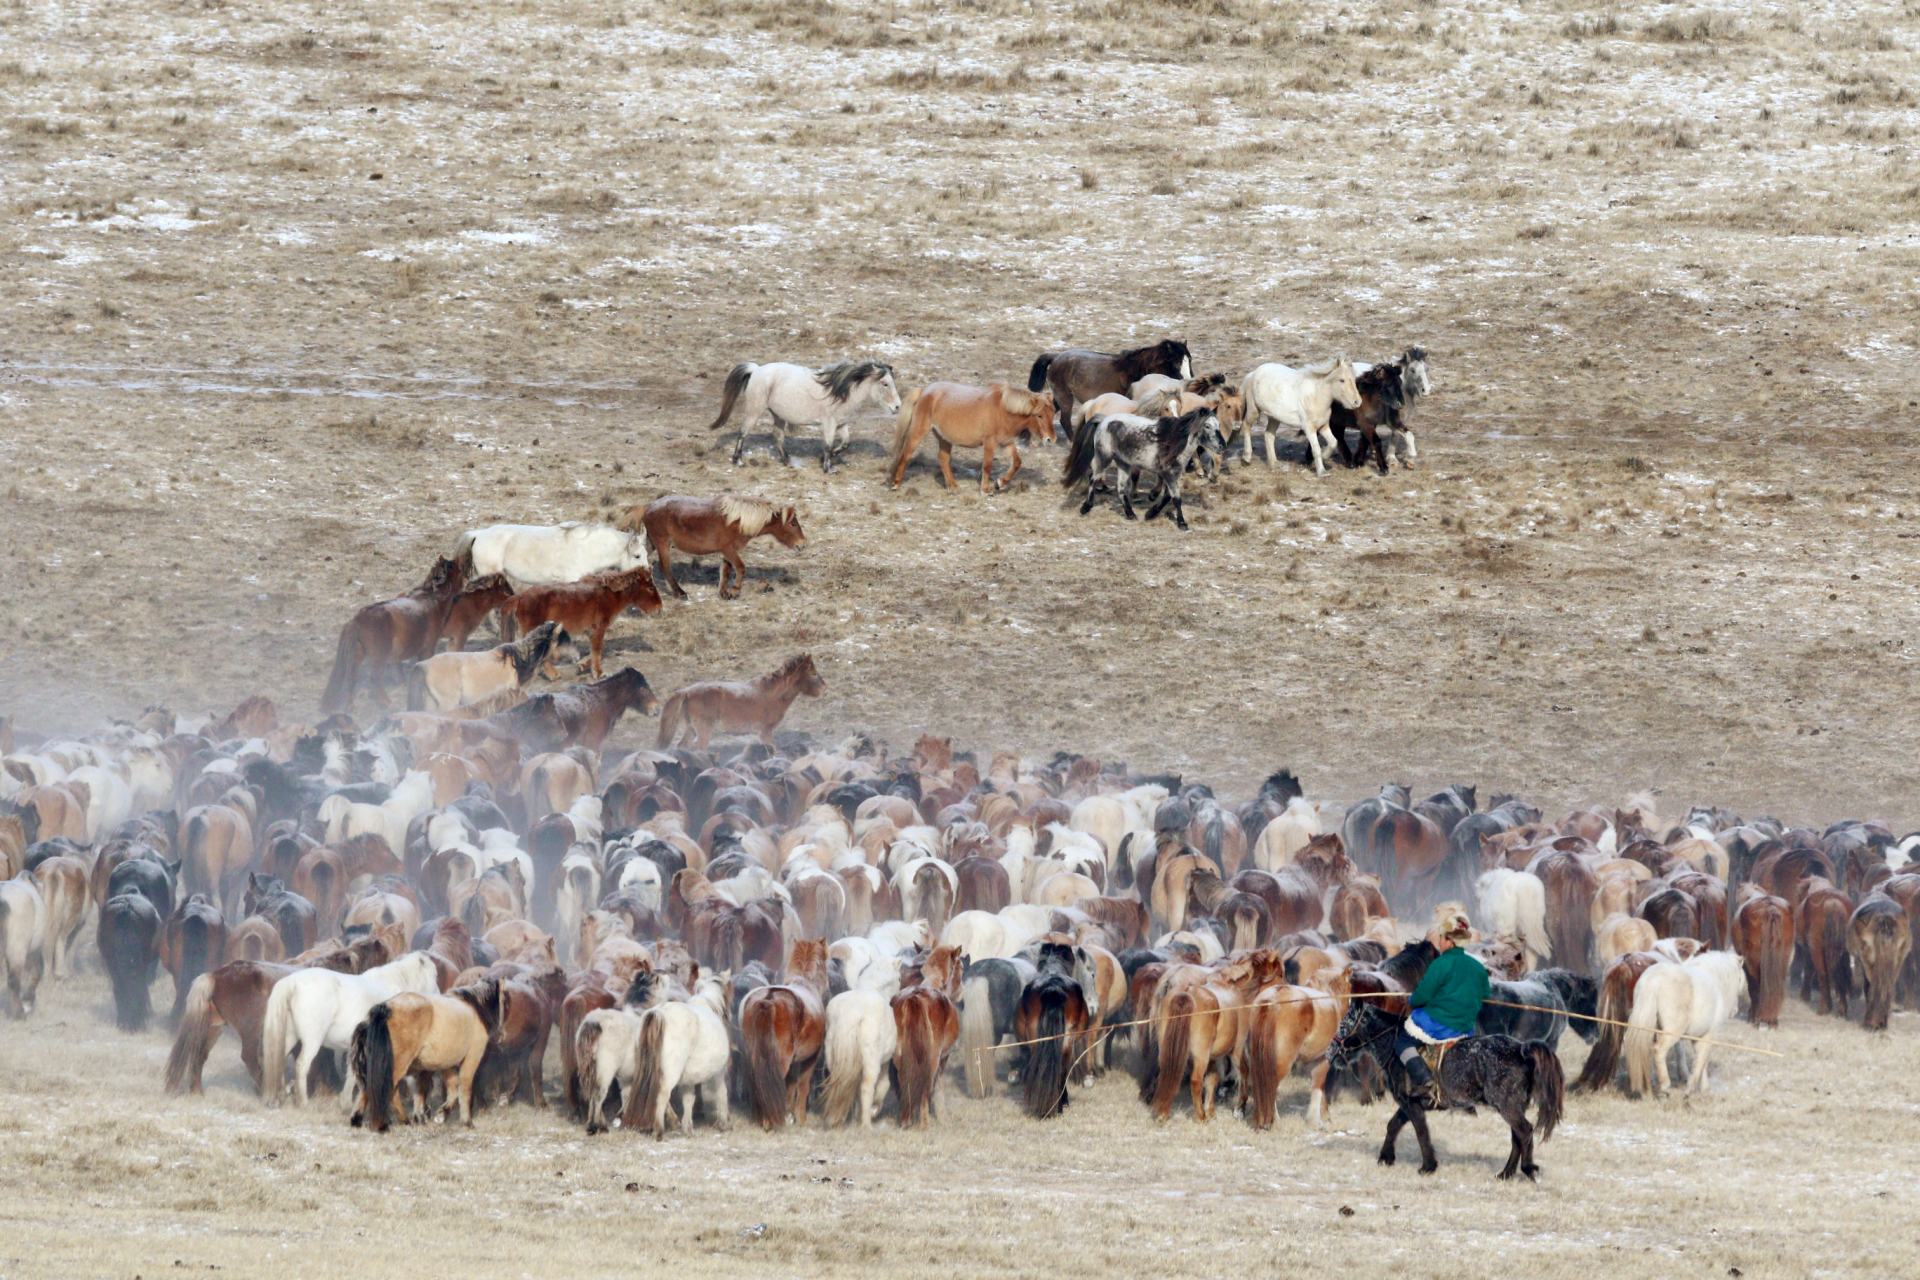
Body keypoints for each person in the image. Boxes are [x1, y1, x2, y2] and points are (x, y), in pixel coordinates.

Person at [1395, 910, 1489, 1108]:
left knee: (1402, 1042)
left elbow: (1421, 996)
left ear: (1449, 941)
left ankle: (1423, 1080)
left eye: (1441, 938)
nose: (1439, 942)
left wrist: (1412, 998)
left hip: (1439, 1024)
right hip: (1465, 1027)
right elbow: (1485, 995)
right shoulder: (1477, 967)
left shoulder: (1440, 964)